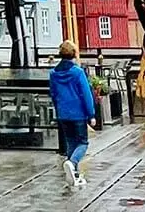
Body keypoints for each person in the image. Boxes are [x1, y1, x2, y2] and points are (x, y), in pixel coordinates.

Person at [49, 40, 96, 187]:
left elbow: (53, 94)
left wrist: (59, 110)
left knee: (70, 142)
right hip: (78, 114)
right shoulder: (78, 73)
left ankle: (73, 174)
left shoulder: (53, 73)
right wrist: (91, 114)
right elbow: (86, 94)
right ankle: (72, 162)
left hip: (63, 114)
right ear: (74, 54)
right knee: (82, 143)